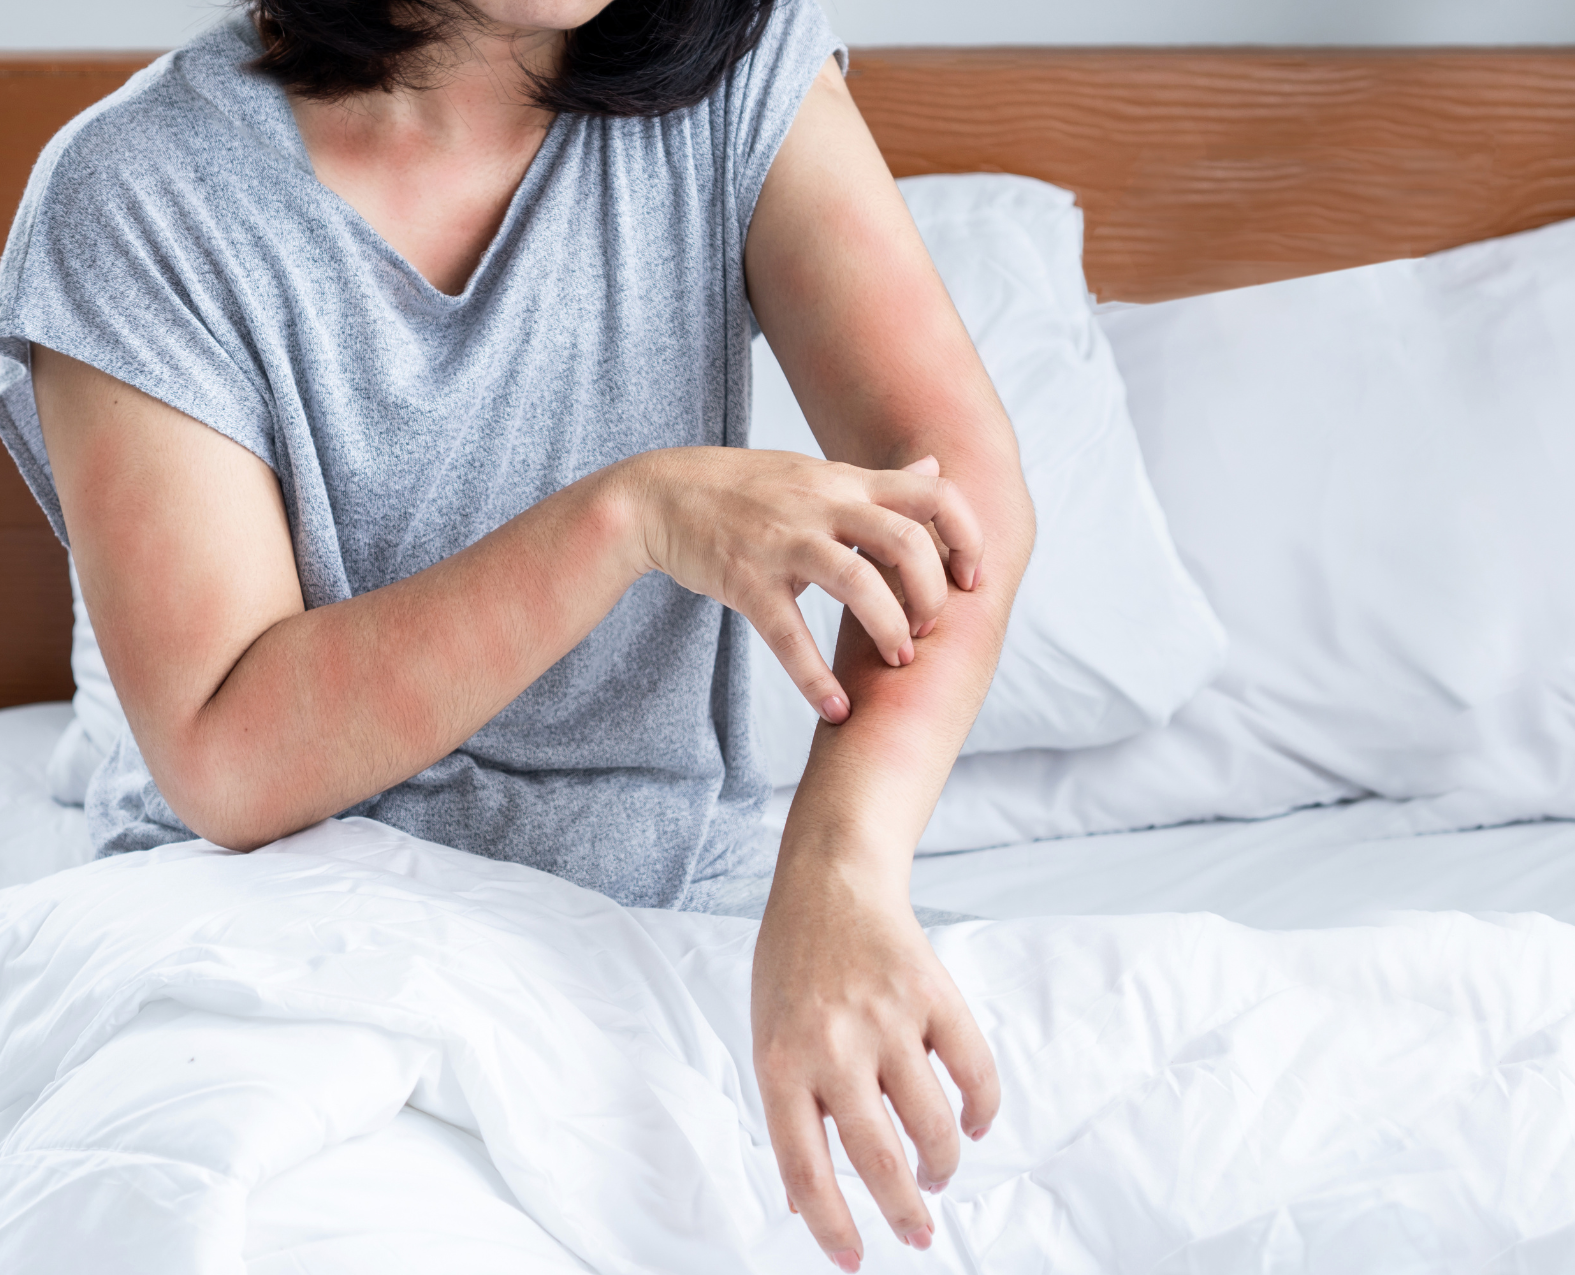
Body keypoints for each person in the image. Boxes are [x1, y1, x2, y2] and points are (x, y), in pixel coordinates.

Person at [0, 0, 1034, 1267]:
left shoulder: (737, 78)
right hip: (271, 930)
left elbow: (958, 502)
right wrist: (629, 518)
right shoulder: (137, 191)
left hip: (668, 916)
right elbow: (230, 755)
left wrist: (843, 878)